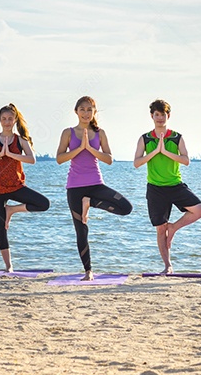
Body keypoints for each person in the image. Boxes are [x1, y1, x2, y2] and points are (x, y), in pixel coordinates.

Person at [56, 95, 132, 280]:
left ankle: (89, 202)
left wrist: (90, 149)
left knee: (126, 207)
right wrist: (79, 148)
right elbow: (59, 158)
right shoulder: (68, 132)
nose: (86, 113)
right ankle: (88, 271)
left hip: (96, 184)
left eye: (89, 109)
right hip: (75, 187)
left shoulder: (100, 133)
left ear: (94, 112)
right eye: (82, 109)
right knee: (81, 229)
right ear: (76, 111)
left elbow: (109, 159)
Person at [0, 103, 51, 272]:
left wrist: (11, 154)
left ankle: (12, 210)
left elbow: (32, 159)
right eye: (4, 119)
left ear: (15, 119)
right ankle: (9, 266)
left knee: (44, 203)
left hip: (16, 186)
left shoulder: (20, 140)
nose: (7, 122)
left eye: (10, 118)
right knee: (1, 229)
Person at [132, 99, 201, 274]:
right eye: (156, 114)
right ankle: (167, 266)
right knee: (160, 229)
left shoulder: (177, 137)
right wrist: (155, 151)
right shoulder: (145, 138)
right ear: (152, 116)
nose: (160, 118)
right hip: (155, 188)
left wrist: (165, 152)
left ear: (168, 116)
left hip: (175, 185)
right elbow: (136, 163)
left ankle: (174, 227)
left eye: (163, 114)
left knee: (200, 209)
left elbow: (186, 160)